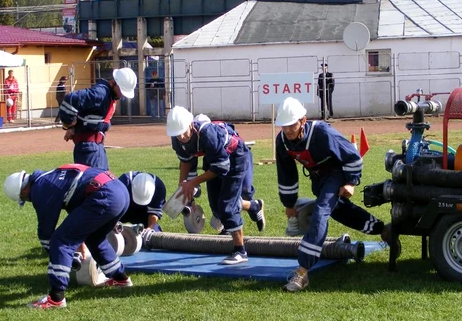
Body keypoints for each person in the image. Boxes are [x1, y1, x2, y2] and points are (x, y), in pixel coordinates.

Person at [274, 97, 393, 292]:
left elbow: (353, 156)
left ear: (303, 121)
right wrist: (289, 203)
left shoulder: (322, 132)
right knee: (339, 211)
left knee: (321, 213)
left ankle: (302, 272)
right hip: (319, 180)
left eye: (291, 125)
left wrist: (350, 181)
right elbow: (286, 174)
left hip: (337, 174)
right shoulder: (283, 141)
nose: (287, 130)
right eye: (283, 126)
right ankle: (382, 229)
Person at [3, 164, 132, 309]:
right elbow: (78, 216)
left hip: (104, 195)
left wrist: (62, 256)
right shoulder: (49, 177)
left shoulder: (41, 188)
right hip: (118, 191)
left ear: (24, 189)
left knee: (60, 240)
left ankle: (56, 298)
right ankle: (121, 278)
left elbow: (46, 232)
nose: (28, 200)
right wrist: (77, 246)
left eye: (24, 198)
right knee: (95, 238)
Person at [166, 106, 265, 265]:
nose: (181, 136)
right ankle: (254, 206)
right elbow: (186, 161)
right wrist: (183, 186)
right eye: (177, 134)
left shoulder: (208, 134)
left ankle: (240, 251)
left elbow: (221, 167)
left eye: (184, 131)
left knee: (227, 206)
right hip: (215, 159)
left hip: (235, 157)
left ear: (191, 124)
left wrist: (192, 183)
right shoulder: (177, 137)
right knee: (217, 209)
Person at [58, 68, 137, 170]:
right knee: (96, 183)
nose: (122, 95)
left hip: (95, 147)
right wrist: (69, 124)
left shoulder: (109, 95)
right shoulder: (100, 93)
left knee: (104, 181)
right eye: (121, 90)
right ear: (113, 82)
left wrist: (73, 127)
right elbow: (71, 99)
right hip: (88, 148)